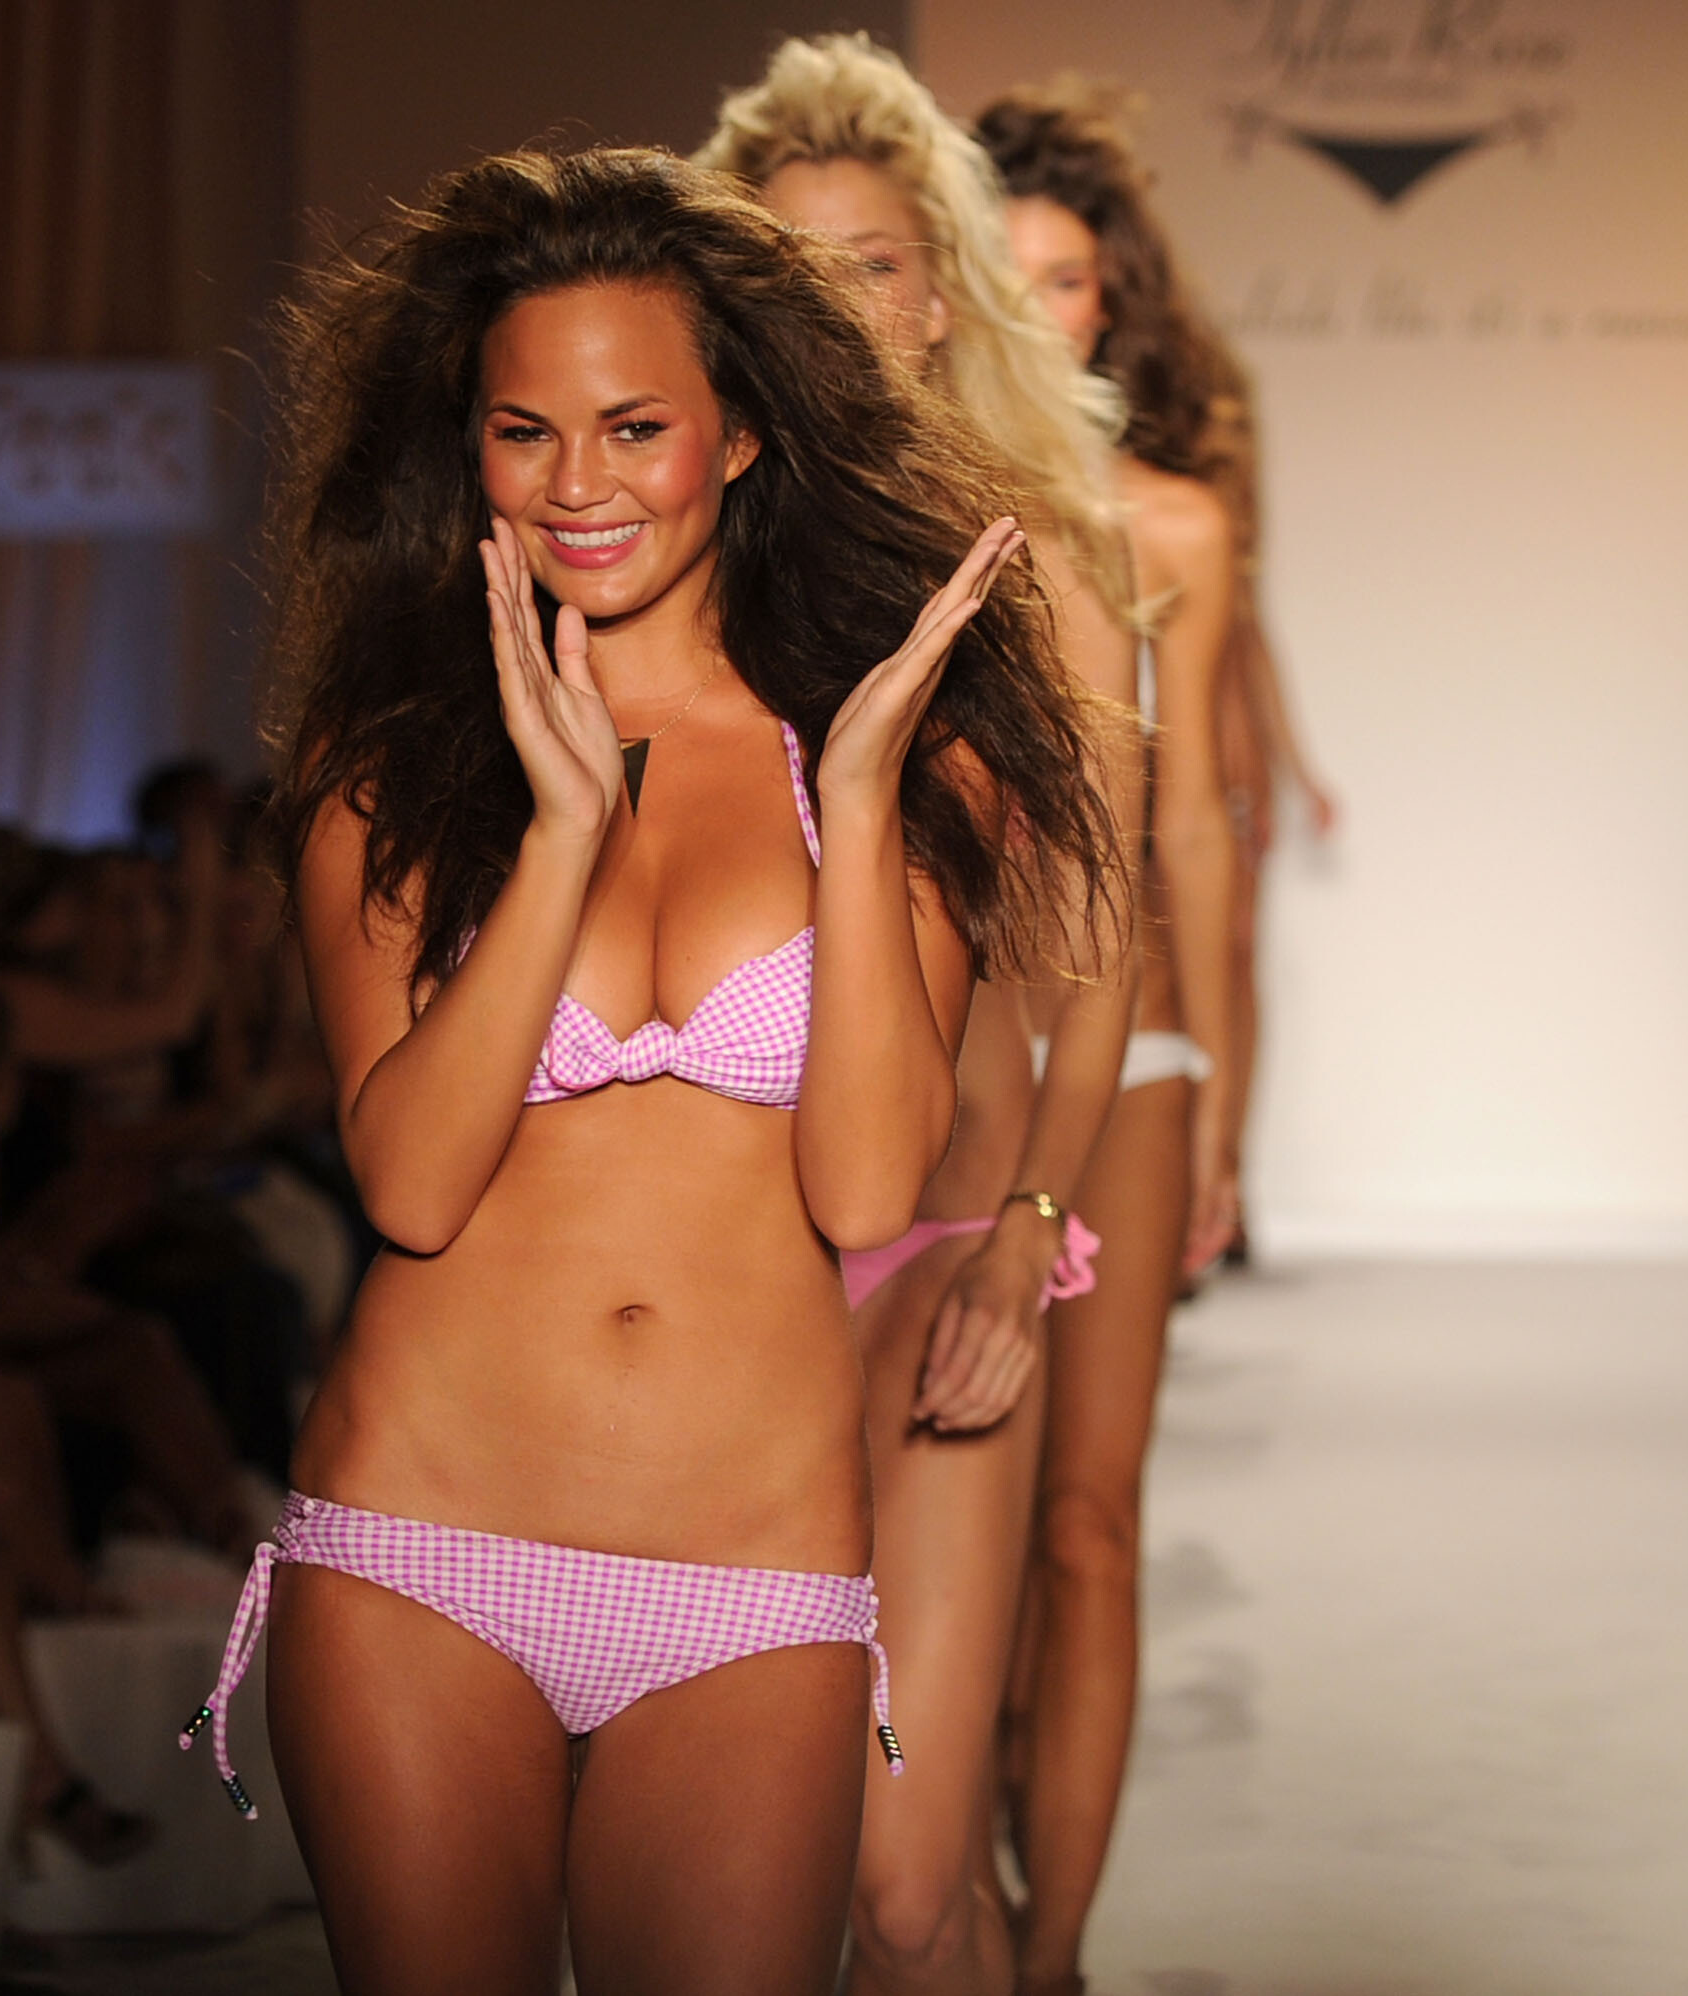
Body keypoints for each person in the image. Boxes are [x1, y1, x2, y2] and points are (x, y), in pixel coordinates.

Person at [188, 145, 1118, 1994]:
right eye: (524, 432)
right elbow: (412, 1185)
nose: (578, 485)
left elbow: (867, 1185)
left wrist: (859, 805)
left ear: (742, 437)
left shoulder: (893, 755)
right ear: (468, 450)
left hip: (749, 1579)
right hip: (421, 1545)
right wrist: (554, 840)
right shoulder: (394, 765)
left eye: (635, 428)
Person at [698, 36, 1144, 1995]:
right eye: (788, 266)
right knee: (753, 1886)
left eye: (871, 261)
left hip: (953, 1234)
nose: (837, 300)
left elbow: (1095, 954)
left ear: (940, 291)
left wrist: (1035, 1231)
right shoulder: (684, 566)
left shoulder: (1041, 576)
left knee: (902, 1880)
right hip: (733, 1265)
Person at [976, 81, 1274, 1993]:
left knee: (1086, 1525)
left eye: (1071, 277)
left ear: (1111, 302)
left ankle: (1057, 1952)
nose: (1042, 308)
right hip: (940, 1065)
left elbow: (1198, 834)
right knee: (958, 1528)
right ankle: (945, 1904)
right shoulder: (885, 514)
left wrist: (1227, 1097)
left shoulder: (1176, 527)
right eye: (1003, 273)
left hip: (1135, 1054)